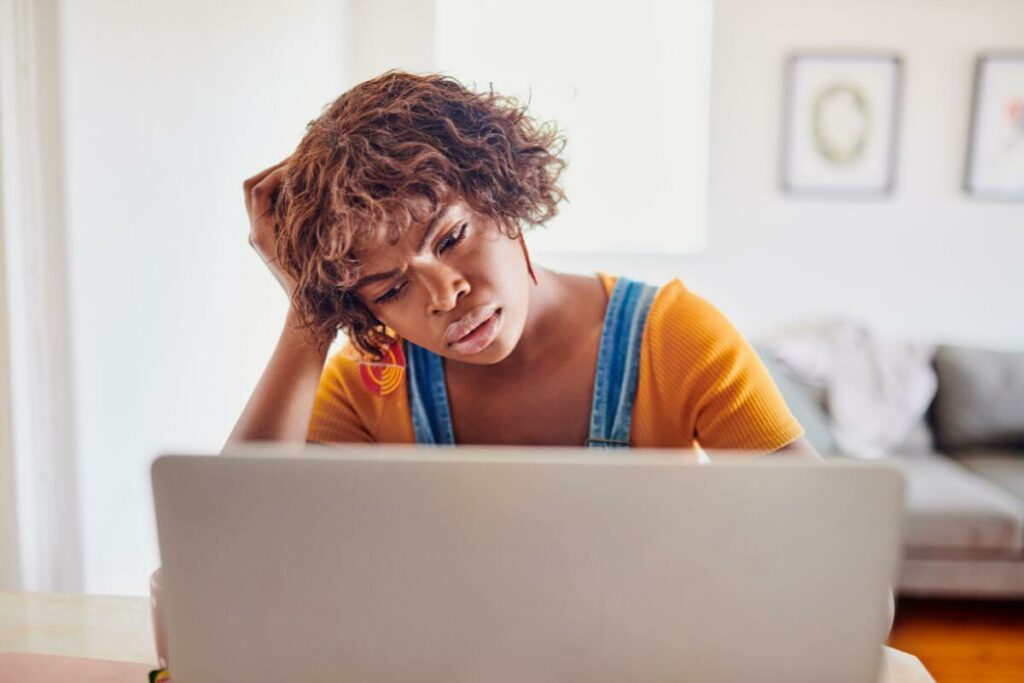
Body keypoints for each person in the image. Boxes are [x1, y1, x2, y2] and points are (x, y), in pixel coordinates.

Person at [224, 69, 817, 458]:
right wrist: (309, 309)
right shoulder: (371, 381)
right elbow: (240, 549)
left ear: (502, 195)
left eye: (451, 237)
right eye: (391, 289)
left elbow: (826, 552)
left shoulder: (674, 339)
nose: (443, 295)